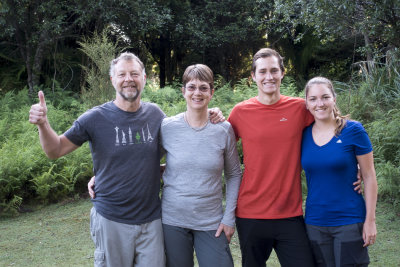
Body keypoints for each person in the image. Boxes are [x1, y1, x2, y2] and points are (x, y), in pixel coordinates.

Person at [29, 52, 223, 267]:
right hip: (112, 219)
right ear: (113, 80)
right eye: (122, 74)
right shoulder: (94, 118)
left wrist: (210, 112)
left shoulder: (156, 115)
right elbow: (54, 150)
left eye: (134, 73)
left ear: (144, 78)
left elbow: (183, 143)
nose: (128, 79)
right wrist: (43, 124)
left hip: (152, 222)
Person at [227, 48, 316, 266]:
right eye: (263, 71)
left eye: (274, 70)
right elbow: (218, 146)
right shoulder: (240, 112)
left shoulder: (300, 108)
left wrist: (354, 165)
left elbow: (330, 130)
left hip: (290, 213)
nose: (269, 77)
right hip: (250, 213)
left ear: (282, 73)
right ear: (253, 77)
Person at [160, 64, 242, 267]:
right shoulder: (168, 127)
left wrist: (229, 218)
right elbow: (144, 161)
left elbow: (233, 174)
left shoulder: (223, 130)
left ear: (211, 93)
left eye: (203, 88)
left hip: (211, 222)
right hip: (172, 220)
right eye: (192, 87)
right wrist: (102, 175)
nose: (197, 93)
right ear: (183, 91)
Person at [301, 77, 378, 267]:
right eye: (313, 99)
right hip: (315, 222)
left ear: (334, 98)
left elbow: (369, 176)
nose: (320, 104)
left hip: (349, 221)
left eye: (325, 97)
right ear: (307, 103)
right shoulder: (302, 135)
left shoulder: (353, 130)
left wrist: (370, 221)